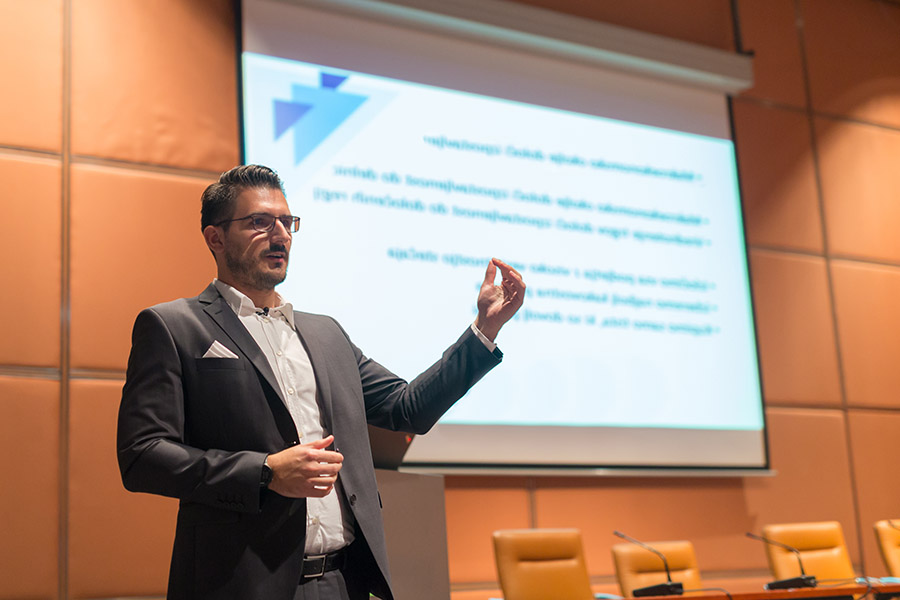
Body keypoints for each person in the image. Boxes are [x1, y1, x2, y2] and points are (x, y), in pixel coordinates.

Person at [116, 164, 525, 600]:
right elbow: (143, 456)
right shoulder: (174, 326)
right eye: (259, 222)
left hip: (343, 582)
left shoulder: (325, 333)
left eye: (286, 222)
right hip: (241, 583)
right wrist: (265, 472)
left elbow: (409, 408)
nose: (280, 235)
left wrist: (484, 330)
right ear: (215, 238)